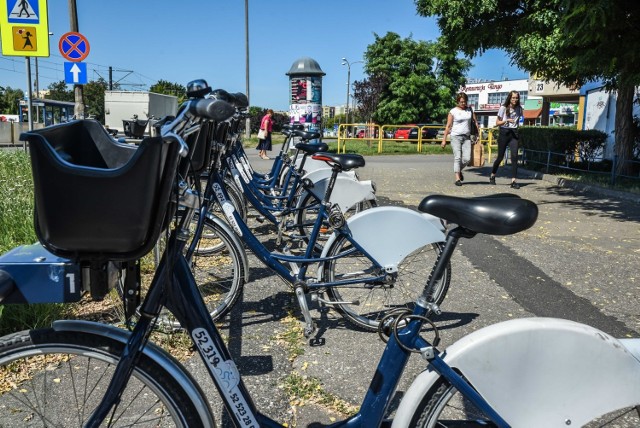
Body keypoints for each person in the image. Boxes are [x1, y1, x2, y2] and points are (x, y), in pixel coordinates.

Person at [441, 92, 479, 186]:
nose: (463, 104)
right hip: (455, 137)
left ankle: (458, 170)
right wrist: (444, 139)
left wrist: (477, 135)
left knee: (467, 159)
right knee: (457, 157)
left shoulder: (470, 110)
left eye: (465, 102)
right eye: (461, 102)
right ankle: (457, 178)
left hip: (467, 137)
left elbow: (475, 123)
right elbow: (448, 126)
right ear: (458, 101)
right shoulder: (453, 111)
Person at [490, 91, 523, 189]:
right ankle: (493, 175)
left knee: (514, 157)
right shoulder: (503, 108)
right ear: (509, 98)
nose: (515, 100)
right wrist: (506, 121)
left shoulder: (519, 109)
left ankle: (513, 181)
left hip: (514, 134)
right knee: (500, 157)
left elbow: (520, 120)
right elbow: (497, 122)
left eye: (516, 98)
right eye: (513, 98)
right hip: (504, 133)